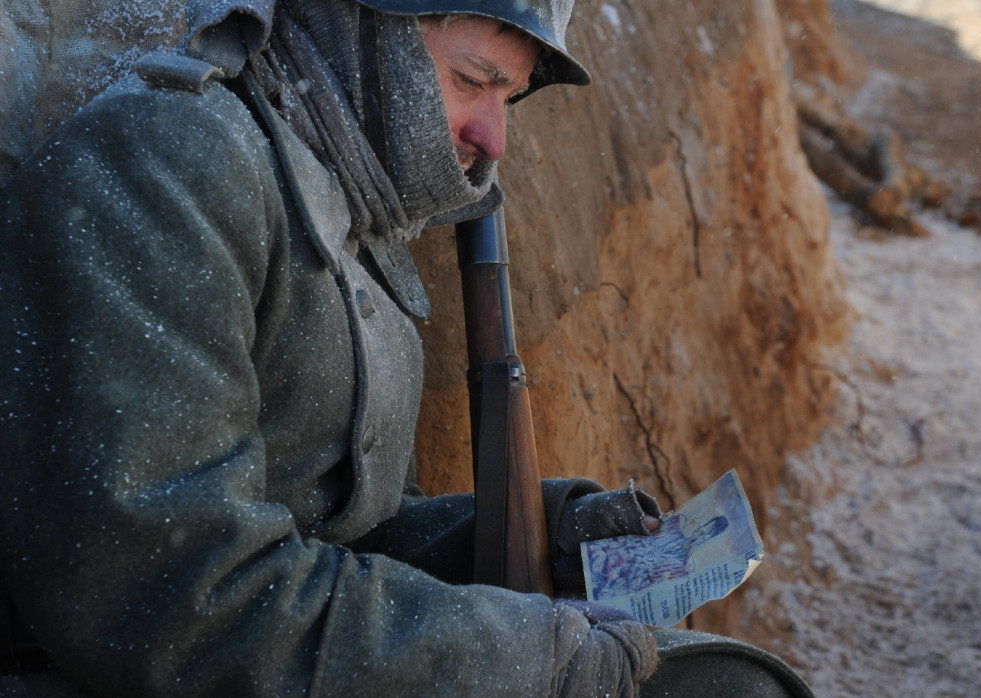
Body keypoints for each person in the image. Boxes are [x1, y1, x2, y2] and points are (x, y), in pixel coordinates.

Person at [0, 0, 814, 695]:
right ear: (364, 35)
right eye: (471, 82)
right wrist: (529, 659)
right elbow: (168, 594)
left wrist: (550, 536)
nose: (493, 139)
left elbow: (340, 534)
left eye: (509, 97)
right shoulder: (170, 164)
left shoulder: (342, 195)